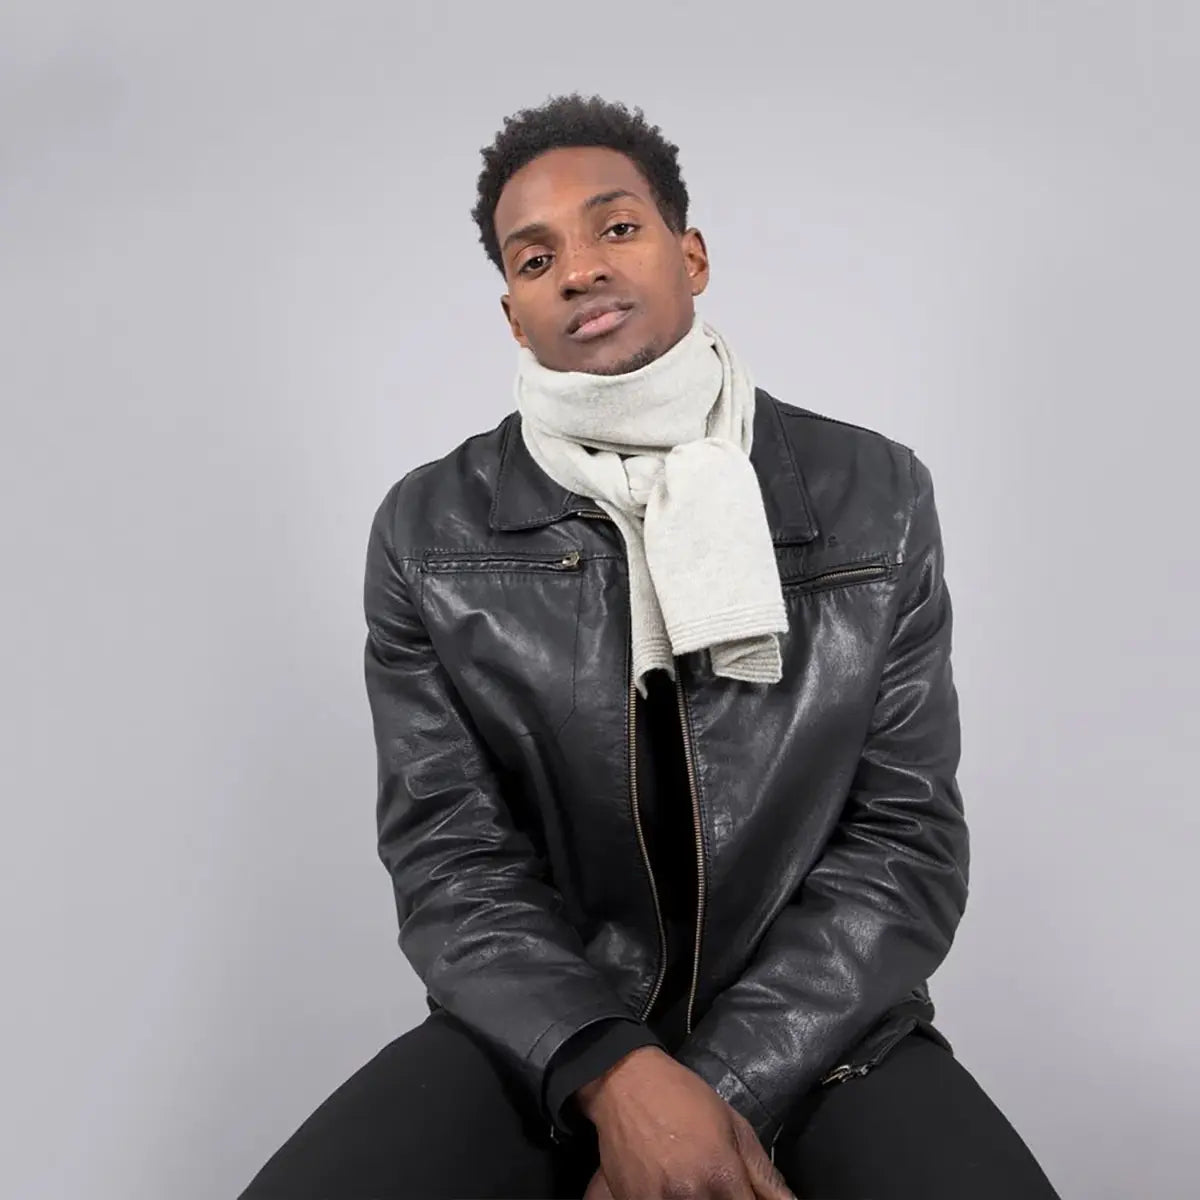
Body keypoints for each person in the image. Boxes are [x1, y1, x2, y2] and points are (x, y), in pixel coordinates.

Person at [239, 93, 1061, 1200]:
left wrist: (706, 1097)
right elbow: (450, 858)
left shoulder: (875, 494)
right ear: (514, 314)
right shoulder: (428, 530)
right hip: (544, 1031)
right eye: (537, 258)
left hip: (822, 1028)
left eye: (616, 228)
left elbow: (904, 841)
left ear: (692, 255)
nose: (579, 269)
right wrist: (610, 1072)